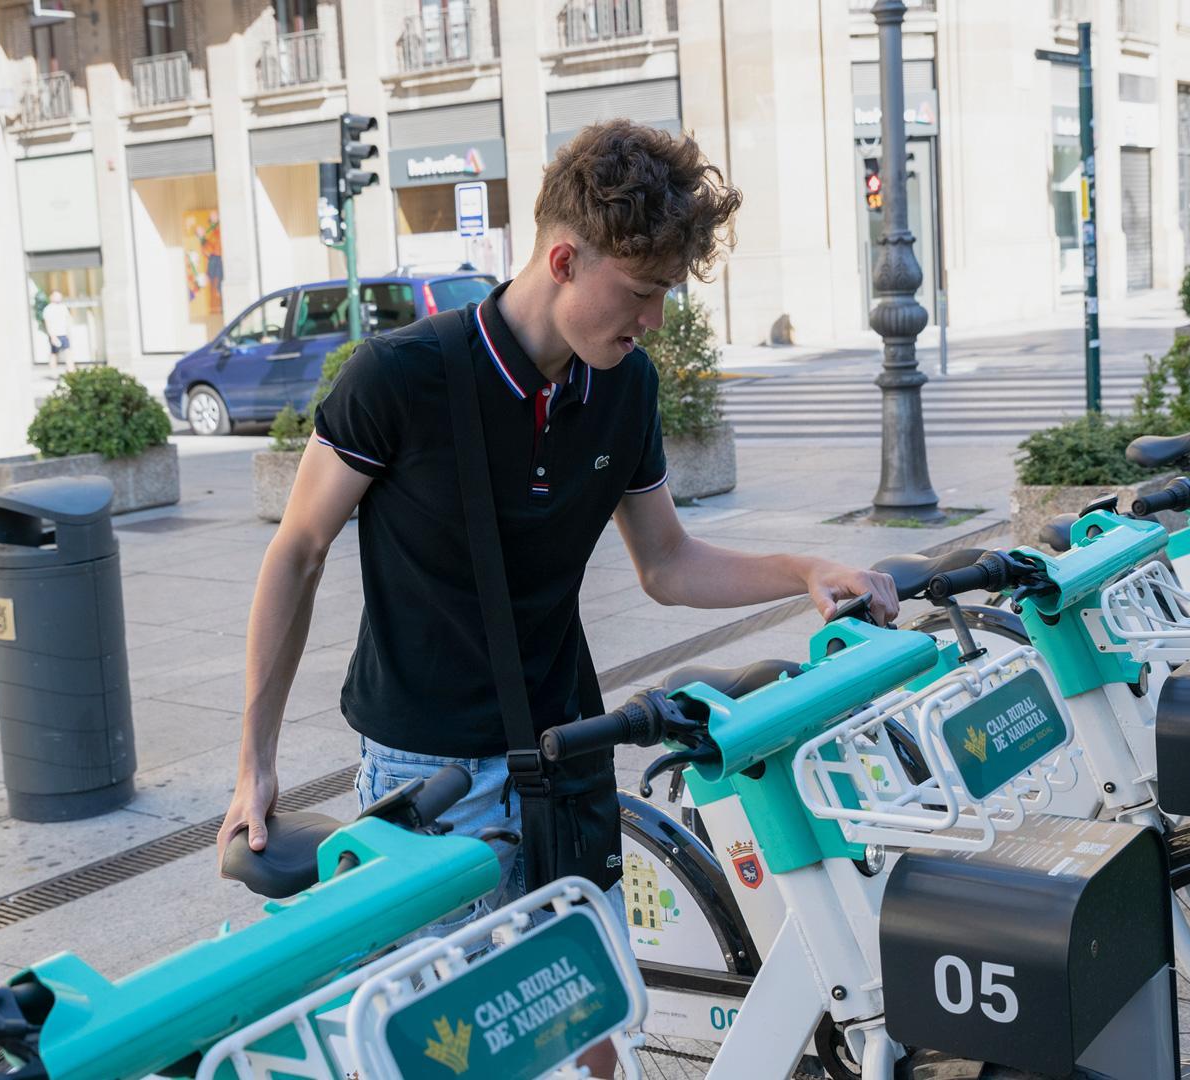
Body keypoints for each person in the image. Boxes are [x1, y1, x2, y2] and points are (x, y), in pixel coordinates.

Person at [217, 119, 898, 1070]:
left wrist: (801, 572)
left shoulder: (623, 387)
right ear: (565, 258)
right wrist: (256, 760)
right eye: (643, 291)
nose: (655, 318)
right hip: (428, 778)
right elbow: (297, 550)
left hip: (566, 757)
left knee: (595, 1042)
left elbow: (665, 563)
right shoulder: (399, 378)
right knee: (456, 1052)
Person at [41, 291, 73, 371]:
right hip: (54, 334)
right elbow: (47, 323)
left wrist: (68, 333)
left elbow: (67, 320)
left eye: (59, 296)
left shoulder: (63, 307)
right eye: (56, 296)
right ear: (51, 297)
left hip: (64, 334)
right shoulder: (48, 309)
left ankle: (71, 371)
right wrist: (52, 336)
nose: (58, 297)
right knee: (54, 354)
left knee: (68, 352)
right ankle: (53, 372)